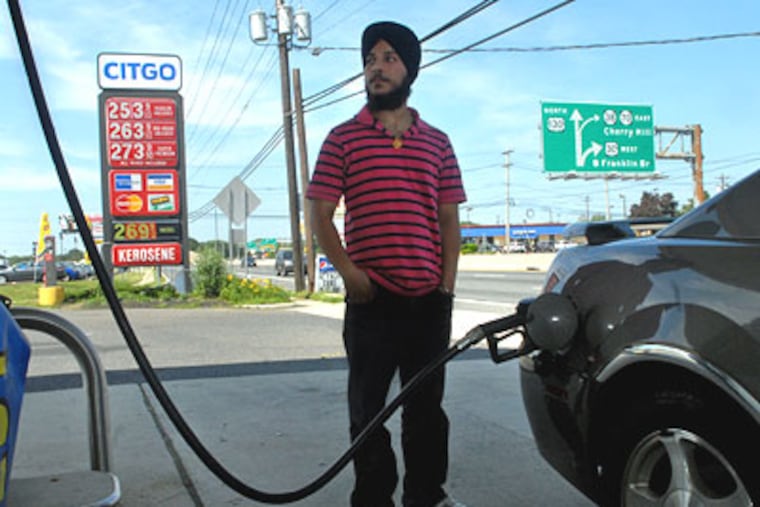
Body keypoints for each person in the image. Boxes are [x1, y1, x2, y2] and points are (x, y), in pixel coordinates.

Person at [306, 21, 467, 507]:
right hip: (371, 300)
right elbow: (318, 212)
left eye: (388, 58)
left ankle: (426, 496)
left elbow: (448, 220)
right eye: (370, 59)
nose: (376, 67)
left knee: (426, 411)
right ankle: (373, 498)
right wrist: (349, 273)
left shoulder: (438, 142)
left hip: (428, 303)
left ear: (409, 69)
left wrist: (446, 288)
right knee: (367, 413)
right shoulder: (342, 139)